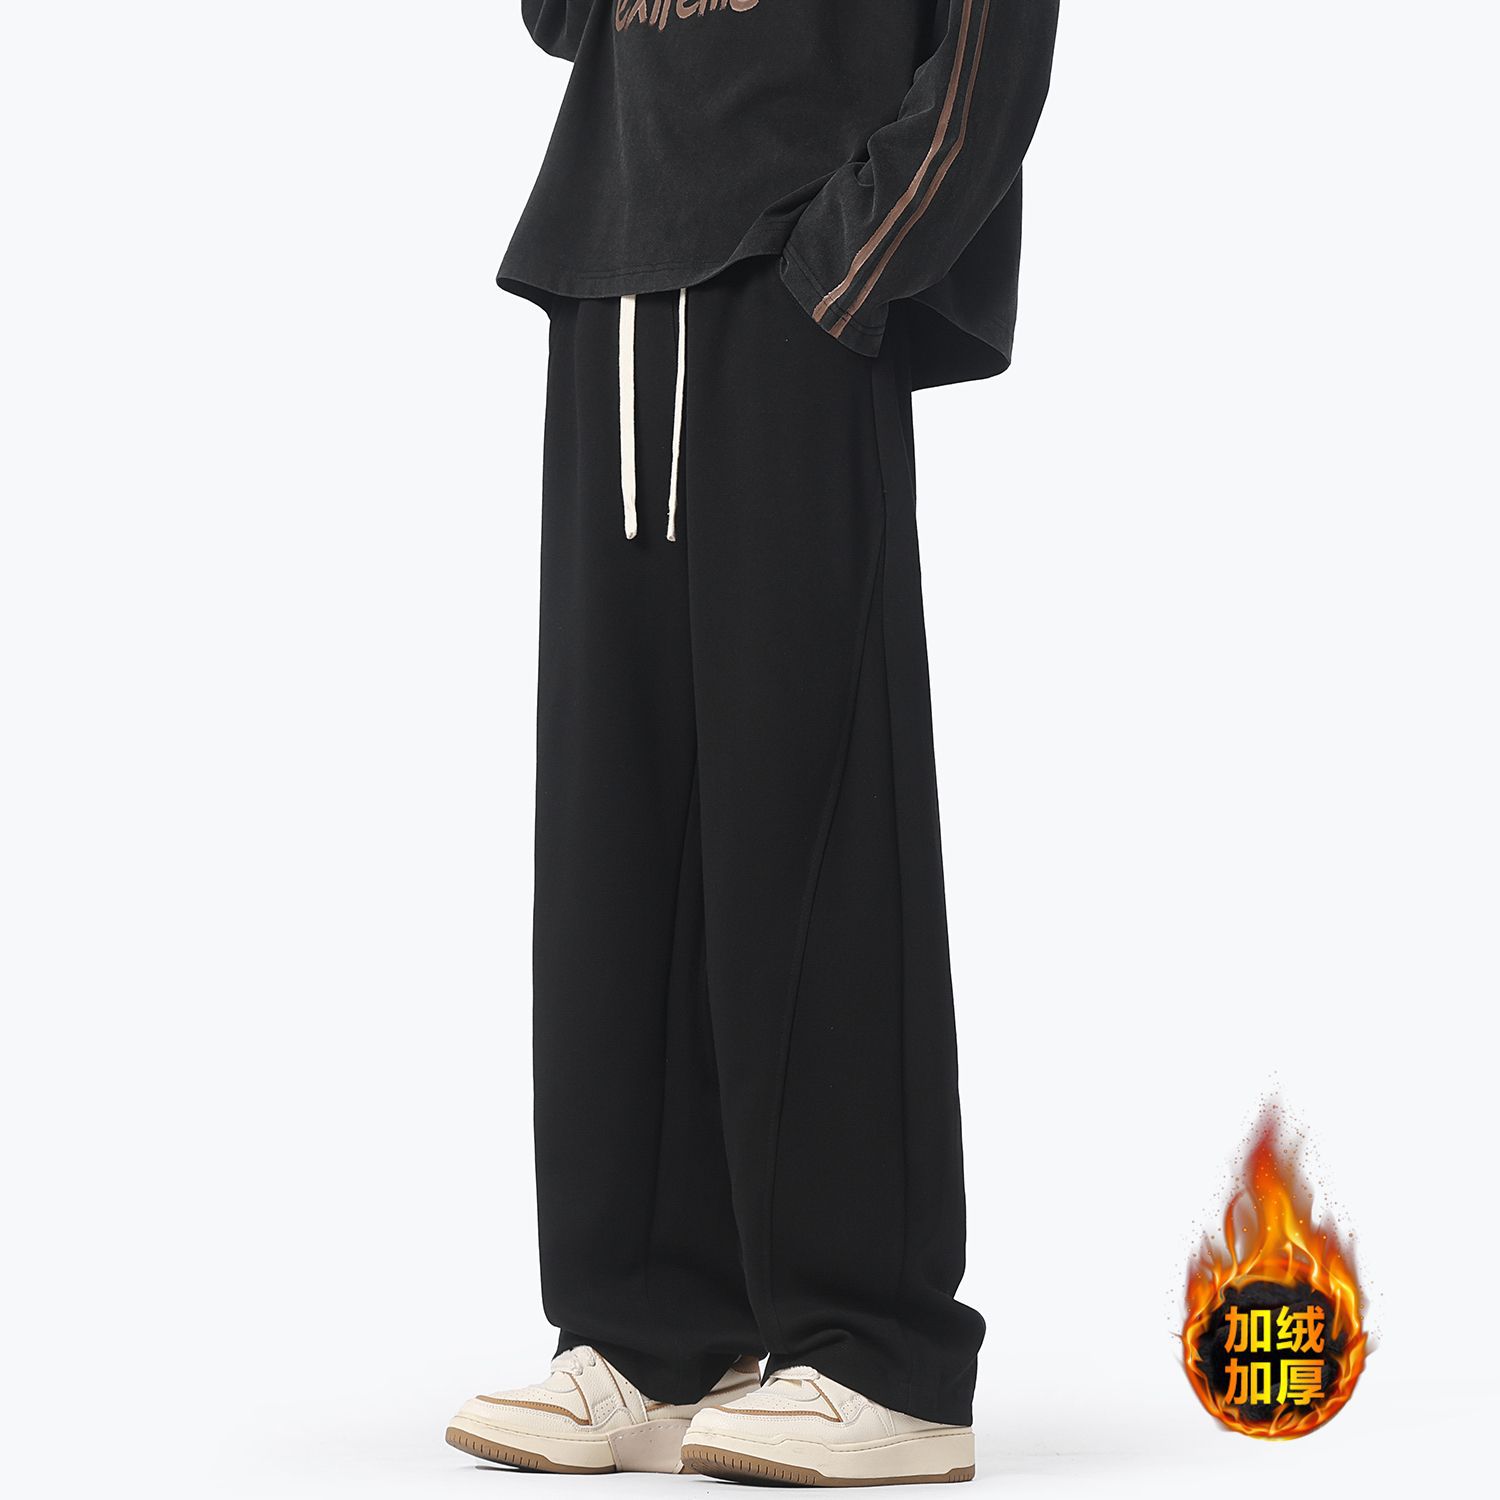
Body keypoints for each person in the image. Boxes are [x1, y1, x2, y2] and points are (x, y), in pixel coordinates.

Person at [446, 0, 1058, 1485]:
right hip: (616, 261)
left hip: (799, 274)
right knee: (617, 822)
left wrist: (854, 262)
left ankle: (880, 1351)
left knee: (816, 802)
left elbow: (994, 43)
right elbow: (562, 19)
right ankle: (651, 1329)